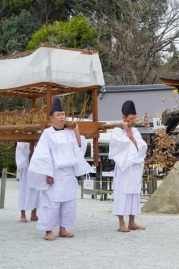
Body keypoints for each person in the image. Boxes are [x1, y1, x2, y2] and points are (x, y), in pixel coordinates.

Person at [27, 98, 93, 241]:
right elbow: (43, 155)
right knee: (51, 203)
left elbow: (79, 148)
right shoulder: (47, 134)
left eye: (63, 114)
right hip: (55, 173)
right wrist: (48, 174)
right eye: (58, 114)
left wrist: (76, 130)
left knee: (68, 202)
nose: (62, 117)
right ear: (51, 117)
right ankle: (48, 231)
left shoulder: (69, 132)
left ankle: (63, 229)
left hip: (68, 173)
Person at [109, 100, 148, 232]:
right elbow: (118, 147)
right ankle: (121, 223)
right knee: (122, 193)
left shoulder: (135, 131)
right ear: (124, 118)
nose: (133, 121)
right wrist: (126, 134)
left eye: (134, 118)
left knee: (134, 194)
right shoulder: (116, 131)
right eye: (131, 118)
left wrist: (132, 138)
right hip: (124, 168)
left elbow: (142, 146)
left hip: (135, 168)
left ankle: (132, 221)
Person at [15, 142, 39, 222]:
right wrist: (29, 144)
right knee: (24, 190)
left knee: (36, 190)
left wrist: (35, 144)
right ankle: (23, 214)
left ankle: (34, 213)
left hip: (36, 166)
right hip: (26, 168)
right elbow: (21, 152)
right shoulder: (22, 139)